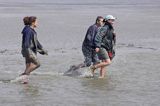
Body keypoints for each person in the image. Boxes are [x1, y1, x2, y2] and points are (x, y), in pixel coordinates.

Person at [20, 16, 48, 82]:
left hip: (27, 50)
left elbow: (36, 42)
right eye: (36, 21)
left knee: (28, 66)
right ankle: (23, 76)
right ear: (33, 22)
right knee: (37, 64)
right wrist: (28, 51)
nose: (37, 23)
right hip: (29, 51)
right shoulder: (29, 30)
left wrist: (42, 50)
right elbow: (26, 41)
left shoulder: (30, 30)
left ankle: (24, 82)